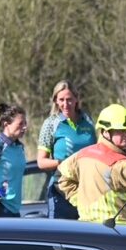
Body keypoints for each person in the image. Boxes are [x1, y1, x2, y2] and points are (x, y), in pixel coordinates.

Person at [57, 104, 126, 226]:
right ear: (106, 132)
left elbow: (60, 176)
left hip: (87, 228)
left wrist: (80, 201)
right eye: (121, 131)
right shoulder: (118, 164)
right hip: (118, 231)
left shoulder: (82, 155)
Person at [36, 80, 97, 219]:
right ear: (56, 101)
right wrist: (65, 163)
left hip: (87, 188)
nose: (65, 104)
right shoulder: (51, 123)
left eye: (69, 99)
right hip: (61, 188)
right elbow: (41, 162)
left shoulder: (87, 120)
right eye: (61, 100)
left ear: (76, 99)